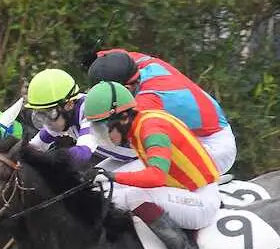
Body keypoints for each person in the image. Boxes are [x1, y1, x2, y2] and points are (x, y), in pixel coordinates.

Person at [83, 81, 221, 249]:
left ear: (123, 118)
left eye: (104, 128)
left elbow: (156, 176)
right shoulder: (139, 124)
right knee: (120, 195)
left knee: (134, 198)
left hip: (202, 200)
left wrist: (113, 177)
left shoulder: (151, 128)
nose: (103, 136)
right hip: (188, 192)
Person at [88, 48, 235, 174]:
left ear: (127, 89)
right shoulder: (136, 63)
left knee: (116, 185)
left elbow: (108, 137)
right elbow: (112, 55)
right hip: (188, 138)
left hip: (213, 147)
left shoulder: (147, 101)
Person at [24, 69, 98, 168]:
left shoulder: (90, 109)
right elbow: (35, 147)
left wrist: (50, 159)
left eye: (49, 113)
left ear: (69, 104)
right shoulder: (61, 117)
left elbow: (83, 153)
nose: (46, 123)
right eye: (40, 114)